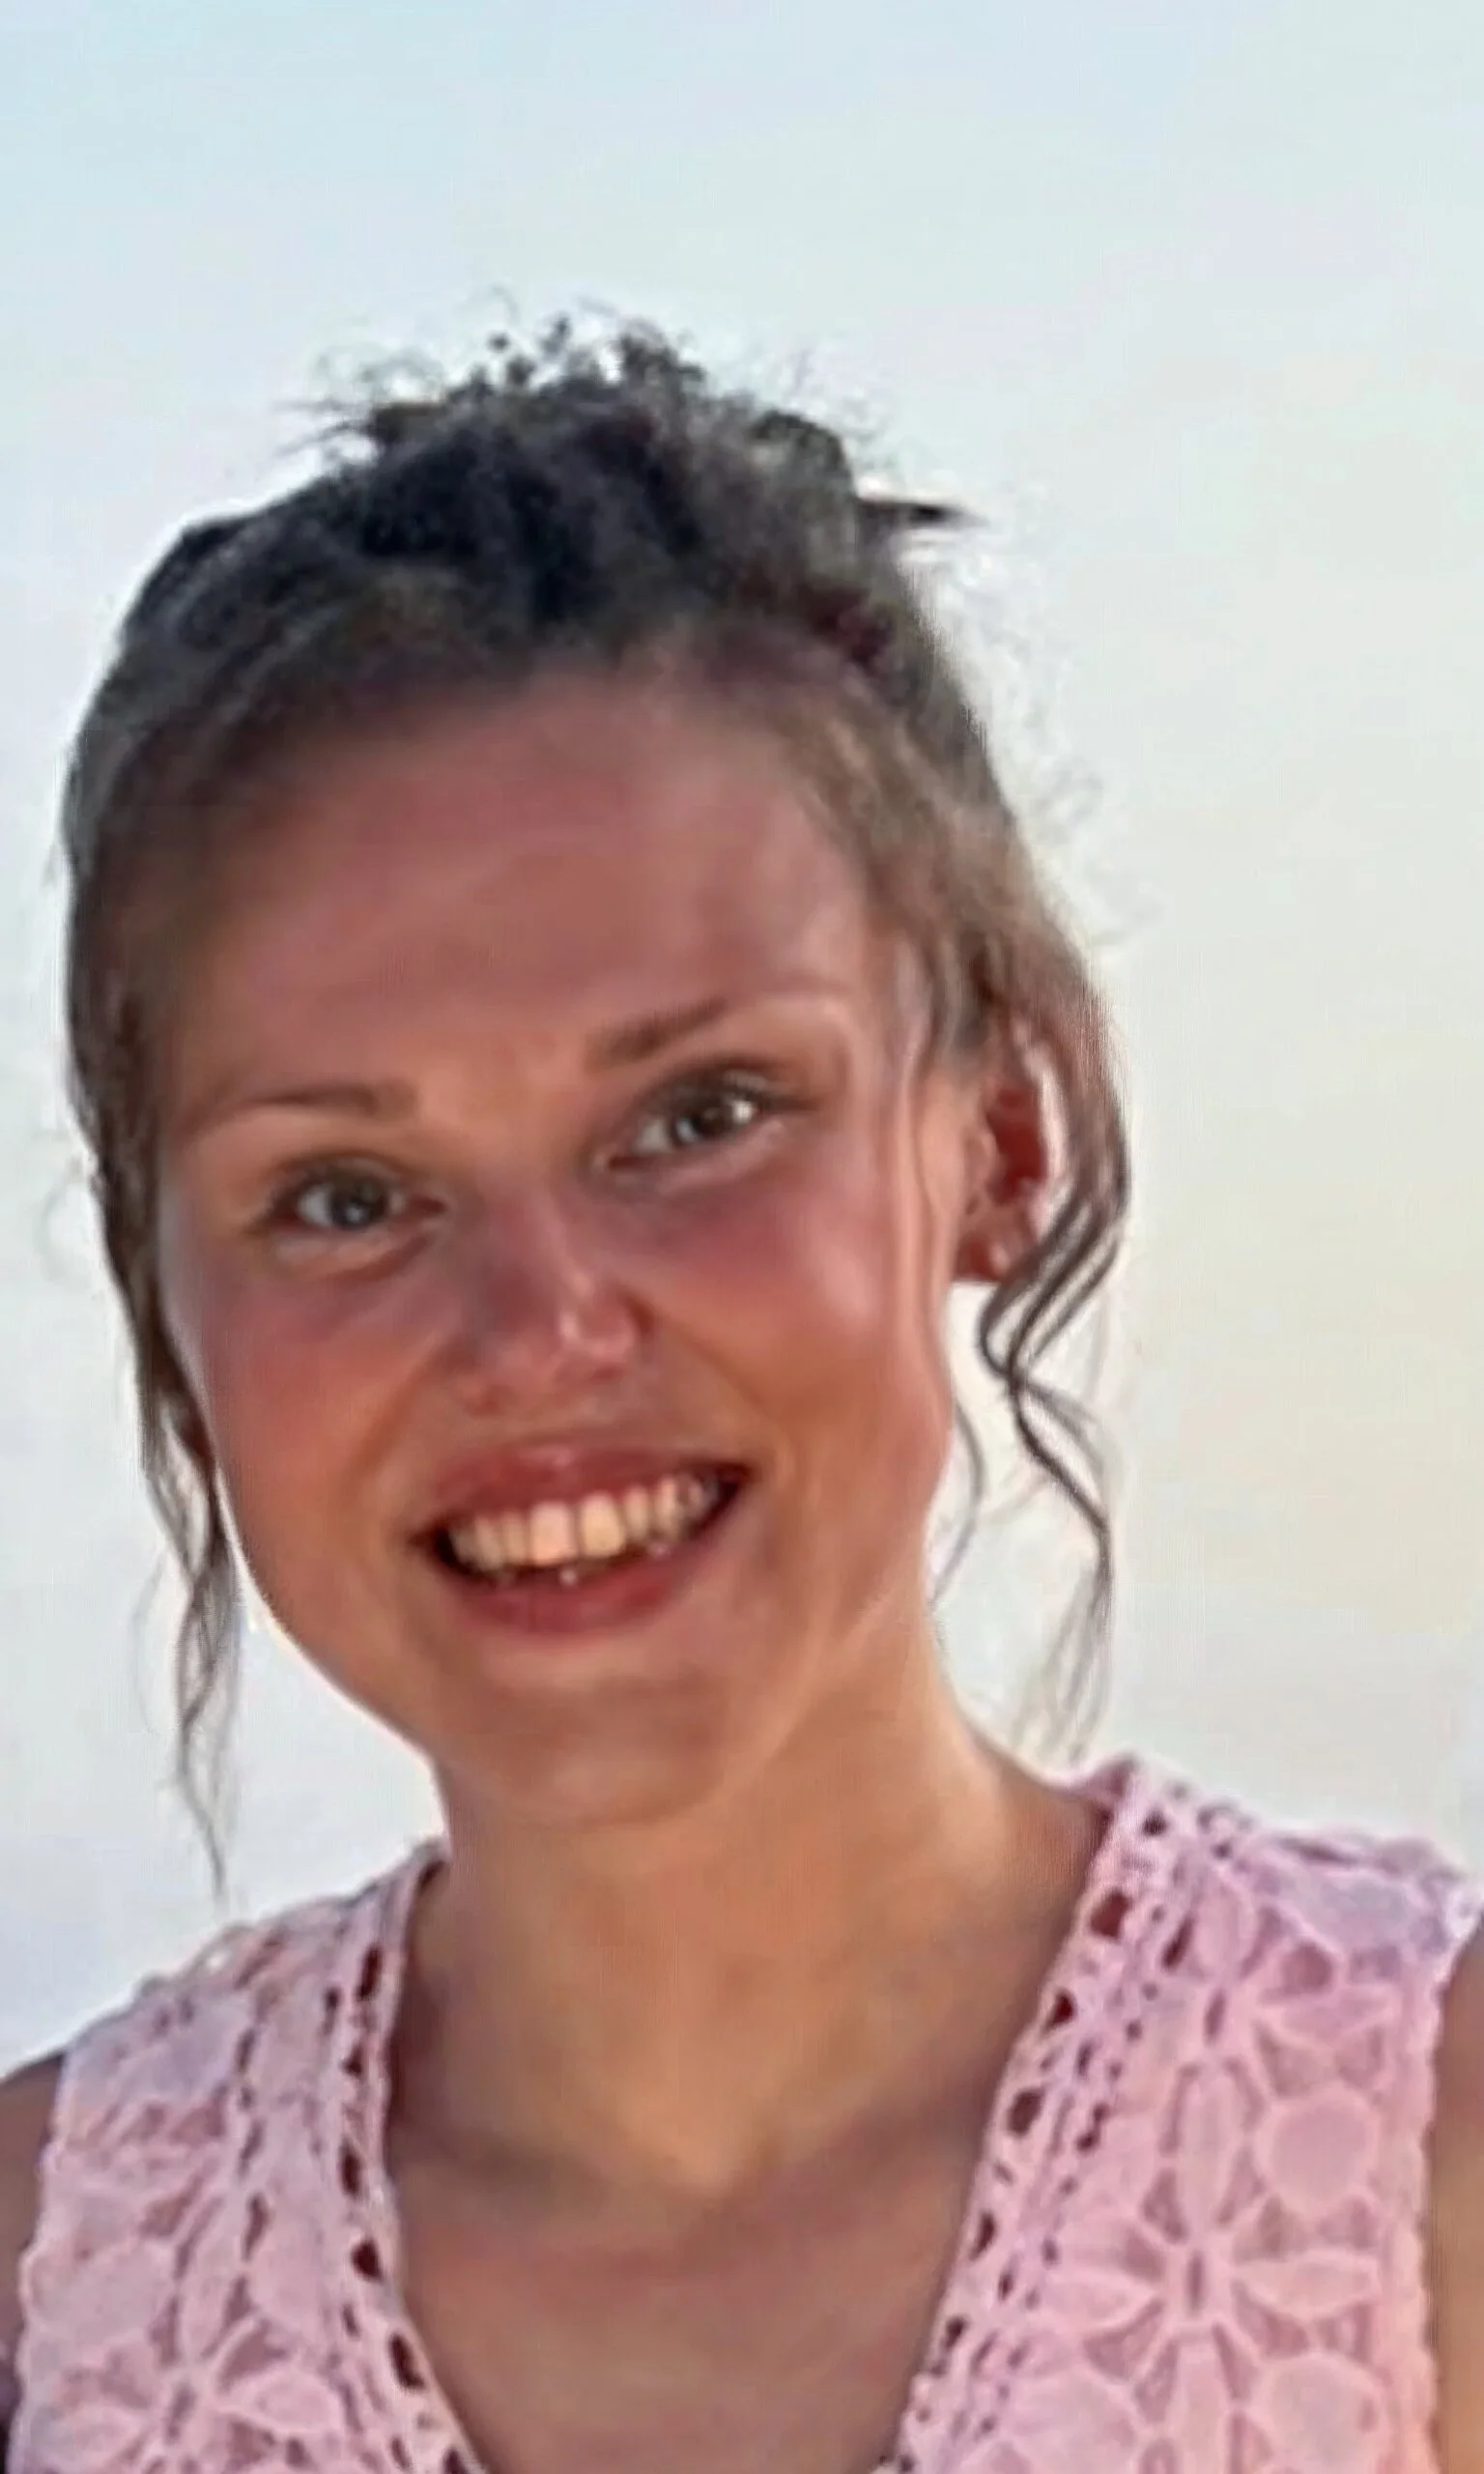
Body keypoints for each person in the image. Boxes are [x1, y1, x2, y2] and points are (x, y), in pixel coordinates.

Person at [0, 322, 1479, 2474]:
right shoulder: (49, 2294)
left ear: (1001, 1133)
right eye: (343, 1191)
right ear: (171, 1294)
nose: (536, 1325)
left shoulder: (1415, 2174)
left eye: (698, 1116)